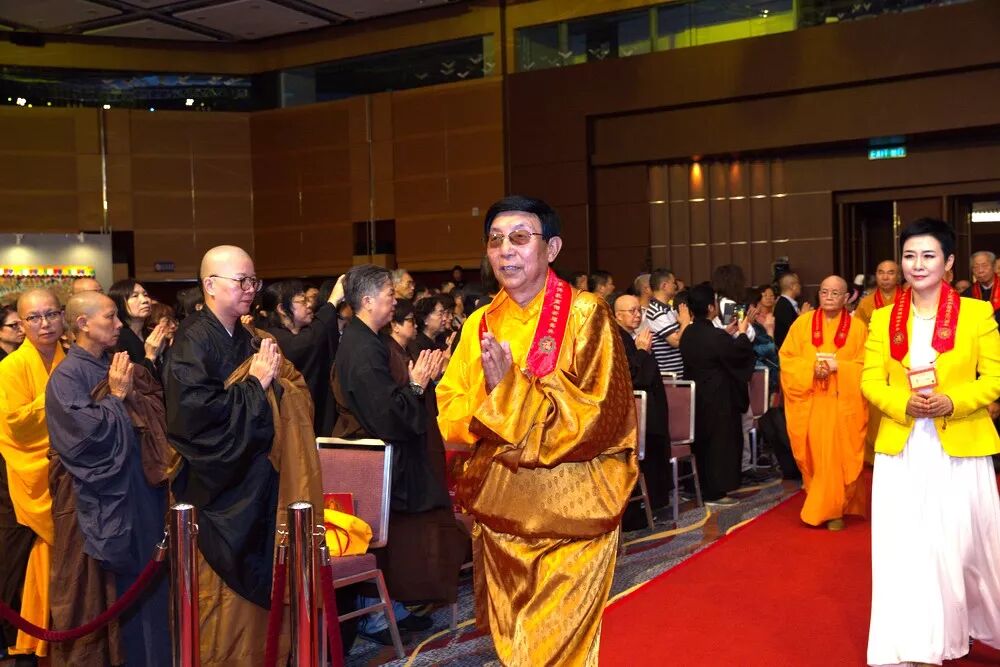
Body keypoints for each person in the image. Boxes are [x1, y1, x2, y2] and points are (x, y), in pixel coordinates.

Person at [437, 195, 637, 666]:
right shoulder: (480, 324)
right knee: (517, 646)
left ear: (552, 248)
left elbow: (599, 415)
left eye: (520, 238)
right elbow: (449, 409)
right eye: (495, 240)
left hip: (573, 512)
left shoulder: (585, 314)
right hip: (502, 514)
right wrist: (497, 401)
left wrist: (508, 393)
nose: (505, 250)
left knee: (556, 649)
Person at [163, 245, 321, 666]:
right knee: (222, 602)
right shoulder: (192, 341)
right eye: (242, 281)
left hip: (259, 480)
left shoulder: (252, 338)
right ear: (210, 285)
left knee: (266, 582)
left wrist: (273, 384)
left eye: (254, 280)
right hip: (219, 494)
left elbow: (294, 390)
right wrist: (256, 386)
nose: (251, 289)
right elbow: (193, 419)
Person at [863, 219, 1000, 666]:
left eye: (928, 255)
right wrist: (902, 403)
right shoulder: (883, 318)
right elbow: (870, 381)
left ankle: (965, 626)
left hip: (959, 446)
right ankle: (917, 644)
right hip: (903, 445)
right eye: (909, 256)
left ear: (948, 261)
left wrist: (953, 402)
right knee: (907, 545)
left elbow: (994, 378)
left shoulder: (977, 314)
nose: (917, 265)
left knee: (964, 546)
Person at [331, 268, 467, 644]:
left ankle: (391, 603)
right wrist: (417, 384)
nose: (396, 300)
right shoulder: (361, 348)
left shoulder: (371, 339)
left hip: (393, 455)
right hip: (377, 459)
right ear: (367, 300)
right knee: (385, 539)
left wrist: (417, 382)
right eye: (389, 294)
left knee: (398, 539)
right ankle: (376, 613)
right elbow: (387, 414)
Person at [45, 291, 172, 666]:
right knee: (102, 595)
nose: (119, 325)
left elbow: (152, 415)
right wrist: (116, 398)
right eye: (110, 317)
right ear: (83, 324)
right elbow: (85, 439)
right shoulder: (67, 376)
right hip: (95, 502)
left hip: (139, 491)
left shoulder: (113, 363)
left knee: (148, 584)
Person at [0, 289, 67, 660]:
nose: (45, 324)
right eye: (34, 318)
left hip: (65, 473)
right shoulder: (10, 367)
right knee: (20, 559)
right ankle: (22, 642)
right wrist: (62, 396)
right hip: (22, 473)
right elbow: (16, 424)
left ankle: (60, 631)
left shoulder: (69, 358)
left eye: (51, 314)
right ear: (21, 325)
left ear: (63, 317)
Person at [779, 276, 868, 530]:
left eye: (835, 293)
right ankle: (829, 505)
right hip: (812, 402)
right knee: (818, 457)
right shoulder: (802, 324)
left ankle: (833, 510)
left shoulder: (858, 328)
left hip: (842, 403)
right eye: (824, 292)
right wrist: (812, 369)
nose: (829, 297)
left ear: (846, 297)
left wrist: (840, 367)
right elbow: (787, 359)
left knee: (837, 457)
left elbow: (867, 365)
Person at [679, 283, 756, 506]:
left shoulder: (689, 333)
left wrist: (726, 334)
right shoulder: (714, 336)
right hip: (718, 397)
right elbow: (737, 354)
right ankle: (717, 492)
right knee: (720, 444)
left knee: (704, 443)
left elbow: (716, 347)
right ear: (711, 308)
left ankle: (704, 488)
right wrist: (742, 333)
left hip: (697, 397)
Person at [613, 293, 672, 525]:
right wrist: (641, 351)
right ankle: (643, 511)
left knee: (655, 456)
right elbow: (632, 376)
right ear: (618, 315)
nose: (637, 315)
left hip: (650, 408)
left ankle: (653, 506)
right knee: (646, 460)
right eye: (632, 311)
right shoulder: (617, 338)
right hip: (636, 412)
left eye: (639, 310)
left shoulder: (631, 336)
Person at [261, 277, 343, 436]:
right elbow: (305, 343)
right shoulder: (272, 338)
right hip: (290, 424)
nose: (309, 305)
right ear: (282, 309)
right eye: (303, 301)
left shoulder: (305, 333)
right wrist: (333, 301)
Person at [107, 279, 169, 372]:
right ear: (119, 302)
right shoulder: (116, 338)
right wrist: (150, 356)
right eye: (135, 296)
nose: (145, 300)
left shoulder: (150, 333)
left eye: (145, 295)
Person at [645, 268, 685, 378]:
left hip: (676, 372)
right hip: (668, 375)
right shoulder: (656, 311)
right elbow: (675, 341)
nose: (675, 286)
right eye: (673, 283)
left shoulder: (667, 308)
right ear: (664, 286)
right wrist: (685, 322)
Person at [856, 260, 901, 327]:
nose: (885, 277)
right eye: (881, 273)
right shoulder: (866, 302)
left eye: (890, 273)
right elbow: (859, 328)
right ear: (876, 275)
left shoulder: (909, 297)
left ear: (898, 276)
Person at [774, 272, 810, 350]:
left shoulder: (787, 303)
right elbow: (791, 330)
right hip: (787, 349)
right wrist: (802, 317)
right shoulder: (783, 305)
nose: (800, 286)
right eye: (798, 284)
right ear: (792, 286)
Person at [964, 250, 1000, 325]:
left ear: (994, 266)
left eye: (985, 265)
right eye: (975, 267)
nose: (980, 270)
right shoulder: (967, 294)